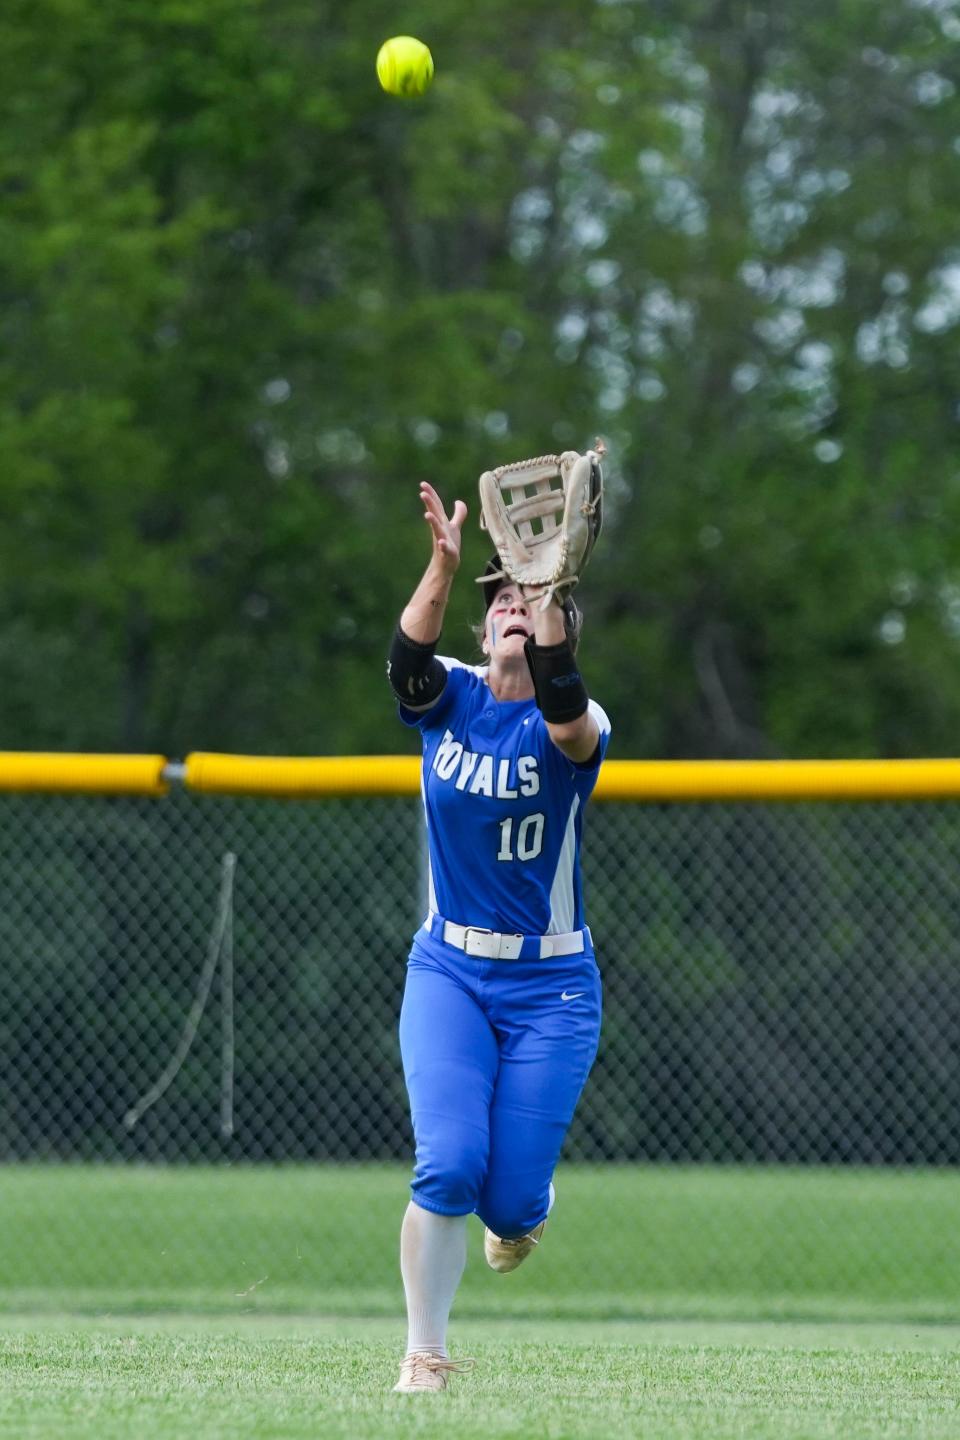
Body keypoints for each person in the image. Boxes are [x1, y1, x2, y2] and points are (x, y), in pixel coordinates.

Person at [386, 479, 612, 1395]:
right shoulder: (455, 698)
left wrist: (550, 588)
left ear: (560, 626)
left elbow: (563, 707)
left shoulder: (581, 724)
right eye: (499, 601)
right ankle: (425, 1353)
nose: (509, 605)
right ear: (482, 633)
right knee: (447, 1163)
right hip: (447, 966)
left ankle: (528, 1208)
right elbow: (406, 664)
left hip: (551, 988)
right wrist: (444, 567)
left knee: (509, 1204)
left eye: (527, 596)